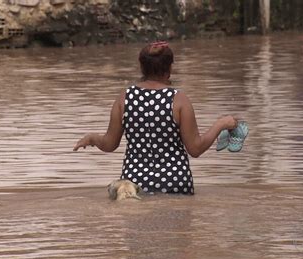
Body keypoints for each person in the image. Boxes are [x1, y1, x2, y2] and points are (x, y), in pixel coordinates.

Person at [73, 41, 237, 195]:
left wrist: (92, 138)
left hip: (134, 184)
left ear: (142, 67)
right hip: (175, 182)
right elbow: (195, 149)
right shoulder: (179, 100)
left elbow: (109, 144)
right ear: (169, 68)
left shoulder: (124, 99)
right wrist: (221, 124)